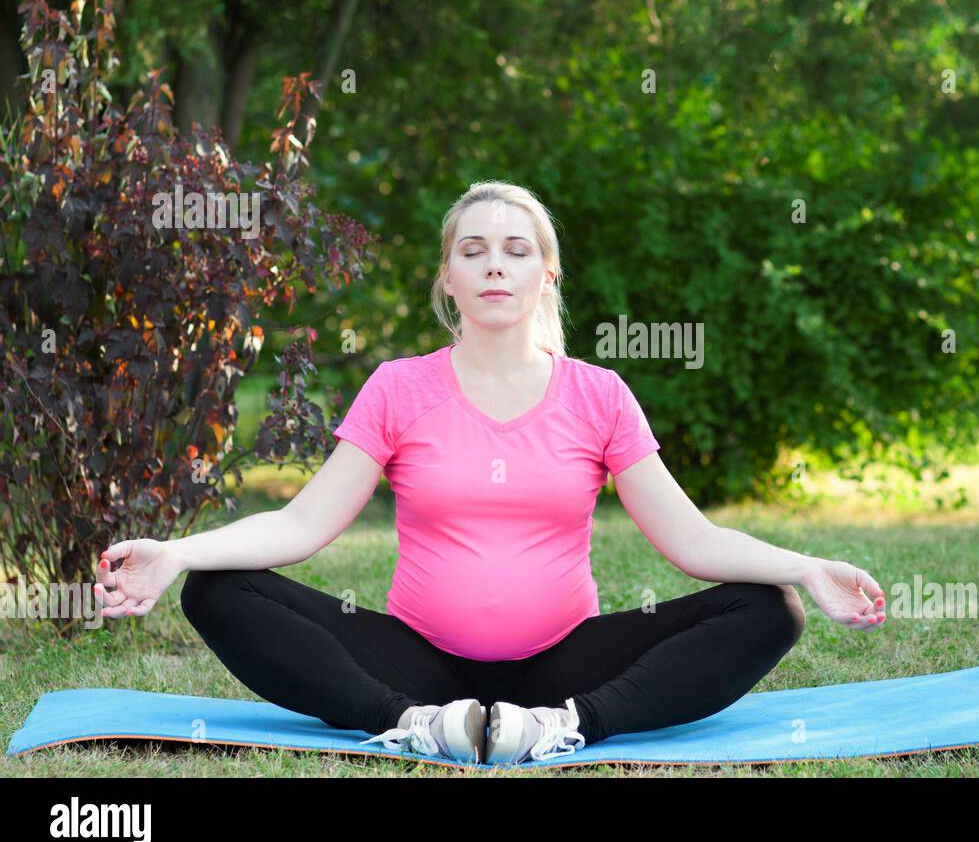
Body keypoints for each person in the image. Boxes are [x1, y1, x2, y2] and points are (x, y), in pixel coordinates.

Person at [95, 179, 888, 766]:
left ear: (547, 276)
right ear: (448, 278)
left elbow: (690, 539)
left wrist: (808, 567)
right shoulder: (399, 387)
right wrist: (178, 552)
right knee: (220, 589)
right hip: (415, 663)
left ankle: (570, 725)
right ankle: (412, 724)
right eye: (472, 251)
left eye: (517, 251)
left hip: (563, 661)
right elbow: (300, 526)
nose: (494, 267)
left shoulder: (599, 395)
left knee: (770, 610)